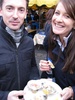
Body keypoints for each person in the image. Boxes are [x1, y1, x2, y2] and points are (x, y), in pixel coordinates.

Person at [0, 0, 40, 99]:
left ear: (26, 13)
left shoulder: (29, 41)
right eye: (10, 8)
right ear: (1, 11)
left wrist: (35, 81)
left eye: (21, 10)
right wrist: (5, 96)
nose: (15, 15)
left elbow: (33, 67)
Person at [39, 0, 75, 99]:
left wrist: (72, 91)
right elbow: (52, 72)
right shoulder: (49, 40)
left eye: (67, 16)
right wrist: (47, 69)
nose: (58, 19)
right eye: (57, 13)